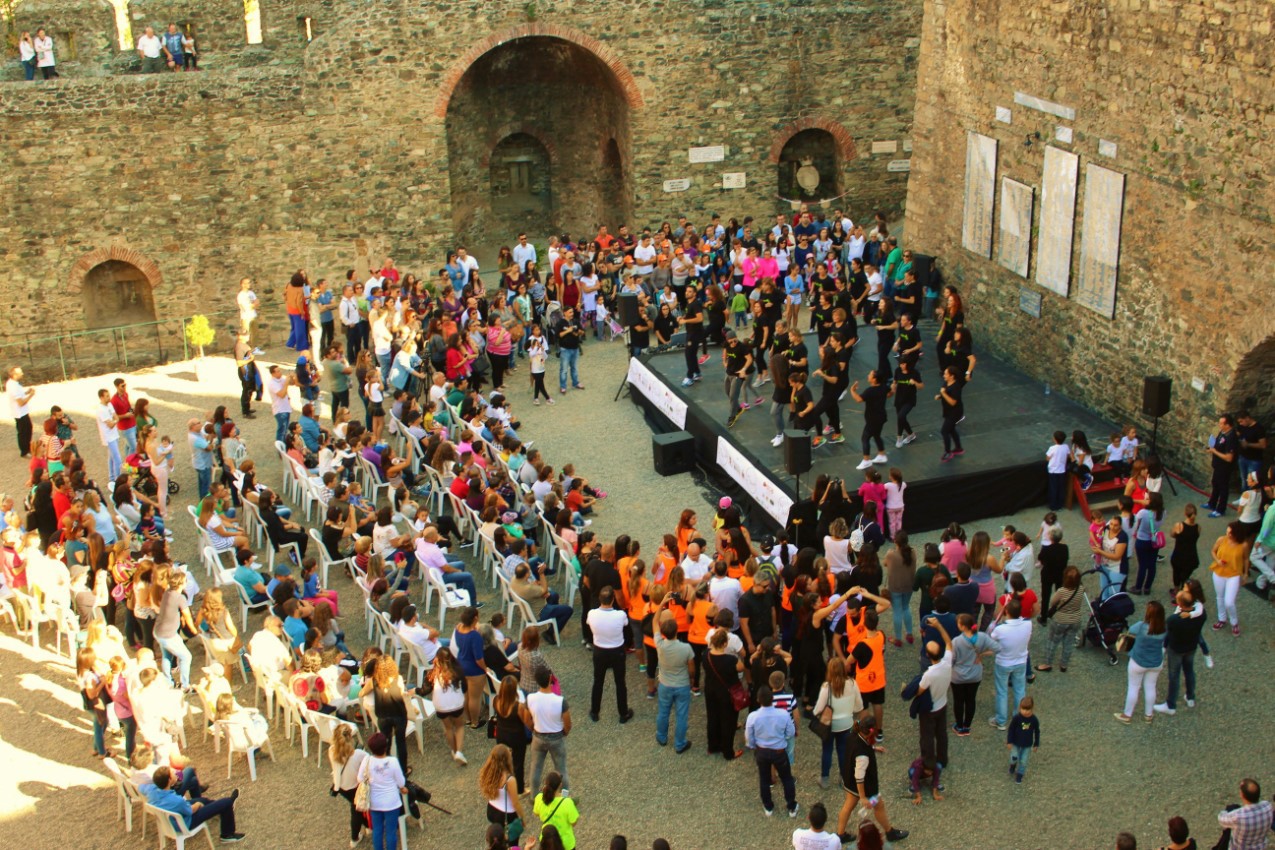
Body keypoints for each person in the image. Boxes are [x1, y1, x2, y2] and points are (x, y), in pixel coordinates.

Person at [837, 716, 907, 843]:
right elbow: (860, 776)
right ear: (870, 731)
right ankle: (890, 832)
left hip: (849, 780)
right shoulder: (862, 754)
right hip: (866, 787)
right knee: (879, 805)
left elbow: (860, 747)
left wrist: (873, 749)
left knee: (847, 806)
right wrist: (863, 797)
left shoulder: (853, 734)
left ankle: (840, 835)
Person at [144, 766, 243, 843]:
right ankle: (227, 835)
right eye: (173, 774)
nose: (175, 774)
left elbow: (140, 787)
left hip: (169, 820)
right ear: (169, 780)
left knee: (202, 799)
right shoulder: (176, 800)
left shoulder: (151, 791)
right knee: (226, 801)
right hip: (185, 823)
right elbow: (190, 811)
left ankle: (223, 809)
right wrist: (198, 805)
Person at [745, 686, 799, 818]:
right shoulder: (783, 714)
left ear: (758, 700)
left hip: (762, 752)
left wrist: (753, 746)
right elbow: (790, 732)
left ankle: (768, 806)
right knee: (786, 778)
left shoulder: (753, 717)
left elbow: (749, 737)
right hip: (779, 751)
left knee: (764, 779)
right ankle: (791, 806)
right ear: (772, 699)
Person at [1114, 600, 1167, 724]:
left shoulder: (1140, 626)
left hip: (1138, 662)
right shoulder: (1165, 629)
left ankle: (1127, 715)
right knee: (1151, 687)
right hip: (1155, 662)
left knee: (1133, 687)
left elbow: (1130, 630)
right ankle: (1148, 715)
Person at [914, 616, 953, 779]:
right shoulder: (947, 663)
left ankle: (928, 760)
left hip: (930, 708)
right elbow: (949, 643)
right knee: (941, 733)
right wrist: (939, 626)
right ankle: (942, 759)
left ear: (929, 656)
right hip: (943, 703)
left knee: (927, 736)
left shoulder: (928, 674)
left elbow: (919, 691)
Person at [586, 587, 632, 723]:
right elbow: (625, 624)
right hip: (617, 651)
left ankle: (595, 711)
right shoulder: (620, 615)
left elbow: (588, 623)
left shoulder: (592, 614)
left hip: (599, 650)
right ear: (613, 599)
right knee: (620, 683)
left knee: (598, 681)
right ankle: (623, 713)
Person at [653, 611, 694, 753]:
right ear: (677, 631)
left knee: (663, 712)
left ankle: (661, 737)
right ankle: (679, 743)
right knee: (681, 715)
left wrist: (662, 603)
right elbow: (691, 668)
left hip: (665, 684)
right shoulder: (686, 648)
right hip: (682, 684)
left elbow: (654, 622)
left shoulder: (659, 645)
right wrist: (692, 679)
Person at [357, 732, 406, 850]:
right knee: (391, 832)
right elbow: (401, 782)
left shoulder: (367, 760)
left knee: (377, 830)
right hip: (392, 803)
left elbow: (359, 779)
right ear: (385, 746)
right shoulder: (393, 761)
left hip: (374, 802)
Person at [527, 667, 571, 796]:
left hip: (538, 735)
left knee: (535, 768)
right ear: (550, 679)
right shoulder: (560, 701)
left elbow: (522, 713)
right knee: (561, 769)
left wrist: (531, 726)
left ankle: (534, 797)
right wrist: (564, 732)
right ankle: (564, 798)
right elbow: (568, 723)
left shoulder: (531, 698)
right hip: (557, 737)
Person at [988, 598, 1031, 730]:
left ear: (1007, 612)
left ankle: (1001, 721)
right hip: (1021, 661)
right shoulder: (1028, 624)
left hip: (1004, 662)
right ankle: (1019, 717)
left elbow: (990, 636)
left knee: (1002, 691)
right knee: (1020, 689)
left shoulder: (1001, 629)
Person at [329, 723, 368, 846]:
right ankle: (354, 838)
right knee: (357, 809)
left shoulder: (331, 751)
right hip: (355, 786)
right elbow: (368, 763)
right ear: (350, 736)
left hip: (341, 787)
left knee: (356, 806)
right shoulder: (358, 754)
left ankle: (365, 827)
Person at [1208, 521, 1250, 636]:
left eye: (1230, 533)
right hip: (1219, 572)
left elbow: (1246, 559)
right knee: (1219, 597)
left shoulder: (1243, 545)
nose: (1228, 535)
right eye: (1227, 532)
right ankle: (1221, 619)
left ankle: (1234, 622)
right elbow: (1213, 551)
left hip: (1234, 575)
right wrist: (1217, 561)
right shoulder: (1221, 539)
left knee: (1229, 602)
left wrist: (1245, 573)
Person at [479, 744, 525, 838]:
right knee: (511, 840)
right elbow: (515, 803)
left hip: (492, 810)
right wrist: (522, 818)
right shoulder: (509, 779)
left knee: (499, 837)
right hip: (506, 815)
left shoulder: (489, 773)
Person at [848, 372, 892, 470]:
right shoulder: (884, 387)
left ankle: (866, 460)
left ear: (874, 379)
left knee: (865, 438)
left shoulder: (870, 391)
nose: (868, 375)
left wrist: (852, 390)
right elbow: (890, 393)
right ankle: (882, 455)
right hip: (881, 417)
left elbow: (859, 399)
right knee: (876, 435)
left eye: (870, 375)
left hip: (873, 419)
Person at [1217, 778, 1272, 850]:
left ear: (1242, 795)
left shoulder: (1238, 816)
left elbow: (1221, 819)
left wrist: (1226, 811)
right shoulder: (1267, 806)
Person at [1203, 415, 1239, 518]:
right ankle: (1212, 503)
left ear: (1227, 425)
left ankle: (1221, 509)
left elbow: (1229, 457)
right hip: (1218, 466)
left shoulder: (1231, 437)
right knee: (1215, 484)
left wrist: (1214, 451)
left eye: (1221, 423)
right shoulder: (1223, 432)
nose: (1219, 425)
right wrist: (1212, 448)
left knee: (1223, 488)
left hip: (1225, 467)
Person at [533, 771, 580, 850]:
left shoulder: (539, 798)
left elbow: (536, 813)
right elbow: (573, 822)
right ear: (560, 785)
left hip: (547, 840)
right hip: (566, 843)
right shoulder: (567, 802)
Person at [1005, 695, 1040, 783]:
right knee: (1014, 757)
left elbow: (1037, 731)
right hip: (1016, 742)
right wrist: (1009, 741)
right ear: (1020, 708)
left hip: (1027, 744)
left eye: (1027, 709)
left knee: (1024, 760)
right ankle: (1013, 765)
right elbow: (1011, 729)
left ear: (1032, 708)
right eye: (1023, 709)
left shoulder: (1034, 720)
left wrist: (1036, 744)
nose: (1025, 711)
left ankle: (1020, 774)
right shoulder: (1017, 717)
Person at [936, 366, 964, 462]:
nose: (944, 375)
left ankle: (948, 452)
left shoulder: (956, 387)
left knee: (944, 431)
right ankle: (958, 448)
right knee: (951, 429)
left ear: (952, 376)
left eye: (946, 374)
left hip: (955, 412)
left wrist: (943, 394)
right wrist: (940, 396)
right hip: (948, 411)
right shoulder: (946, 383)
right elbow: (945, 392)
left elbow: (953, 402)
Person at [6, 366, 34, 457]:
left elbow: (20, 395)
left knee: (28, 429)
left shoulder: (14, 383)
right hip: (19, 413)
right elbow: (21, 403)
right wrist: (31, 395)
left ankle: (27, 449)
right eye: (20, 372)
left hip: (22, 412)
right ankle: (24, 451)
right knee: (23, 432)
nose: (22, 374)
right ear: (14, 375)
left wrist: (27, 392)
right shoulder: (12, 386)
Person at [555, 306, 584, 394]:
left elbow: (582, 331)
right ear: (565, 313)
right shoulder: (560, 323)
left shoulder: (575, 321)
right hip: (565, 349)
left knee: (574, 367)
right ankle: (563, 386)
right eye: (570, 312)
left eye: (572, 312)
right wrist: (568, 331)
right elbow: (558, 335)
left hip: (575, 348)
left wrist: (579, 332)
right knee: (564, 369)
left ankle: (575, 382)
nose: (572, 314)